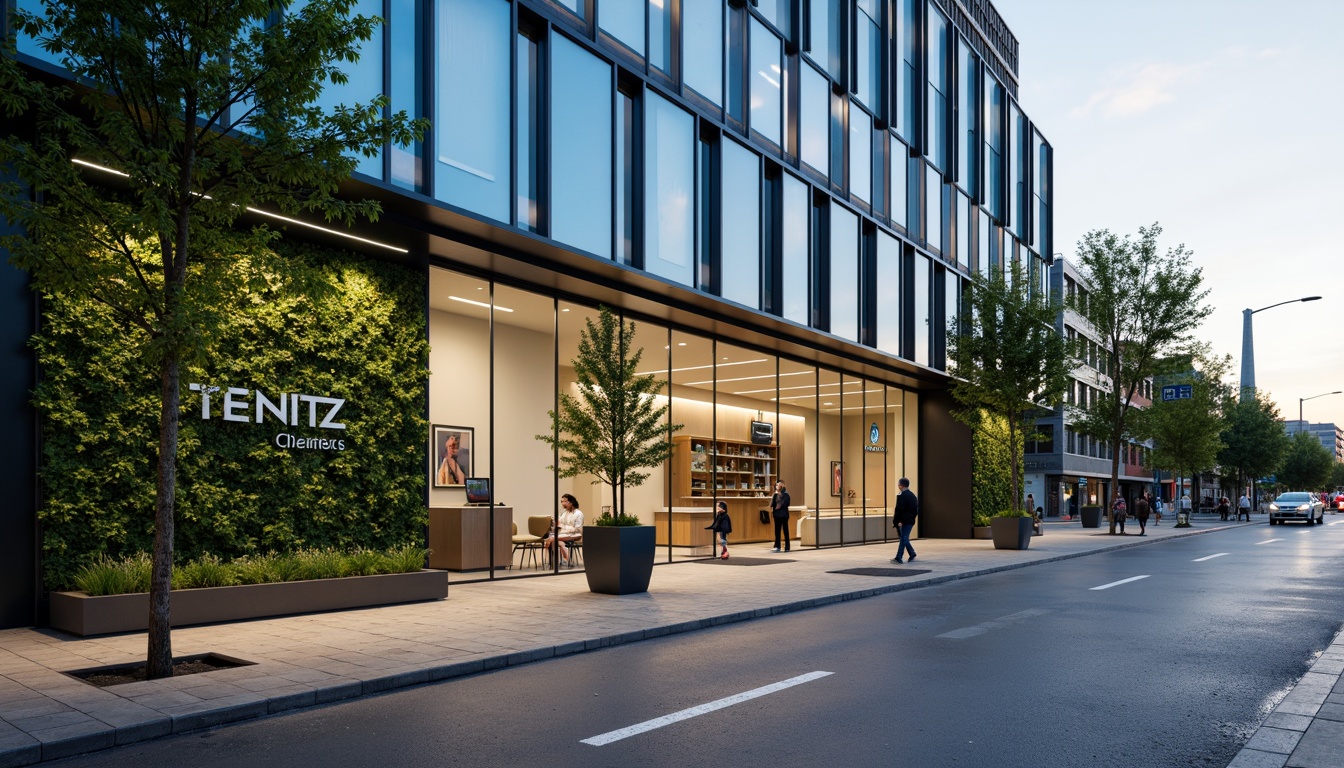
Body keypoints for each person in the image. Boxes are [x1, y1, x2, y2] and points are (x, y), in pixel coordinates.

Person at [544, 493, 584, 568]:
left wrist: (563, 528)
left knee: (552, 538)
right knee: (551, 538)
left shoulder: (579, 514)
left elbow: (577, 529)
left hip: (575, 534)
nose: (563, 503)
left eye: (565, 501)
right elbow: (560, 523)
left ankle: (558, 561)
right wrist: (554, 523)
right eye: (562, 501)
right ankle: (556, 561)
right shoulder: (564, 513)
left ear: (571, 502)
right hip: (564, 533)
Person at [891, 477, 919, 563]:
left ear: (901, 485)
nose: (898, 486)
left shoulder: (902, 496)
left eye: (899, 484)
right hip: (910, 520)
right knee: (904, 537)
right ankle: (911, 553)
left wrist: (898, 521)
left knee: (903, 538)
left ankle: (899, 557)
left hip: (903, 521)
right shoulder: (912, 495)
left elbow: (899, 510)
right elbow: (916, 510)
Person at [770, 481, 792, 553]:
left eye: (778, 485)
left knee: (785, 531)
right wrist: (775, 496)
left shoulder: (786, 494)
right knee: (777, 531)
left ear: (782, 486)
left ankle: (787, 546)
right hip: (776, 515)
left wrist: (777, 506)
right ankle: (777, 546)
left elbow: (785, 504)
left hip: (783, 515)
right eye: (776, 485)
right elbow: (772, 504)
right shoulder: (775, 494)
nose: (777, 486)